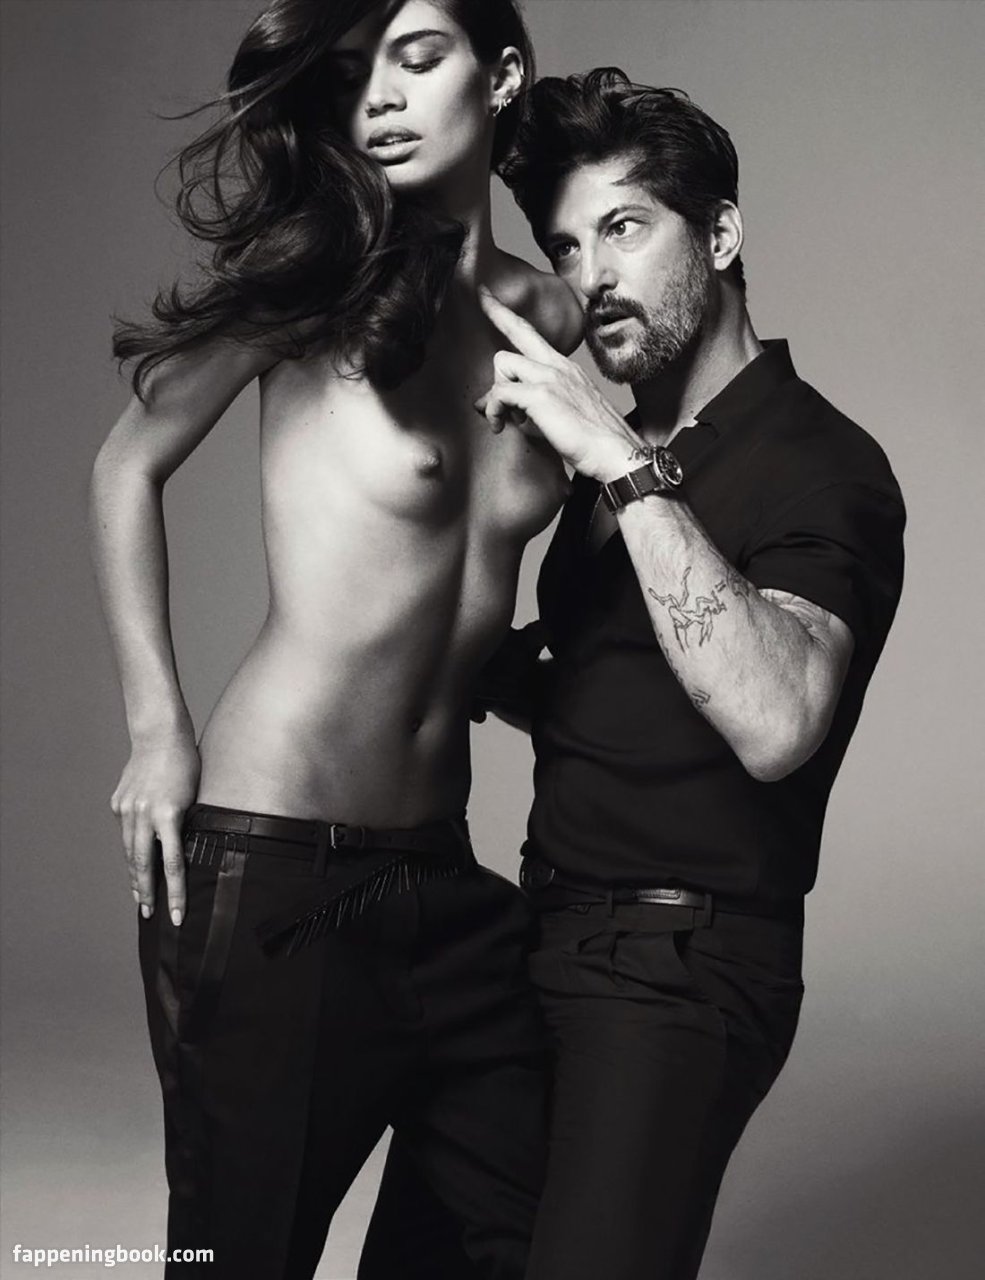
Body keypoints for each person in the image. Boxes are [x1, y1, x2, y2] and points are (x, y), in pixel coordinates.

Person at [364, 69, 906, 1280]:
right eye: (567, 245)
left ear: (718, 234)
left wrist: (617, 462)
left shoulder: (823, 464)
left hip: (679, 968)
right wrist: (426, 642)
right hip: (535, 933)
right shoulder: (630, 455)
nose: (591, 276)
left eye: (624, 227)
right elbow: (614, 685)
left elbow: (776, 718)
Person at [89, 3, 582, 1277]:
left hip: (442, 871)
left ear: (502, 75)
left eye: (419, 60)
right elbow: (125, 465)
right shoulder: (320, 276)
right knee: (240, 1253)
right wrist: (156, 729)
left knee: (505, 1225)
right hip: (279, 869)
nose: (382, 100)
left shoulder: (555, 316)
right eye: (359, 75)